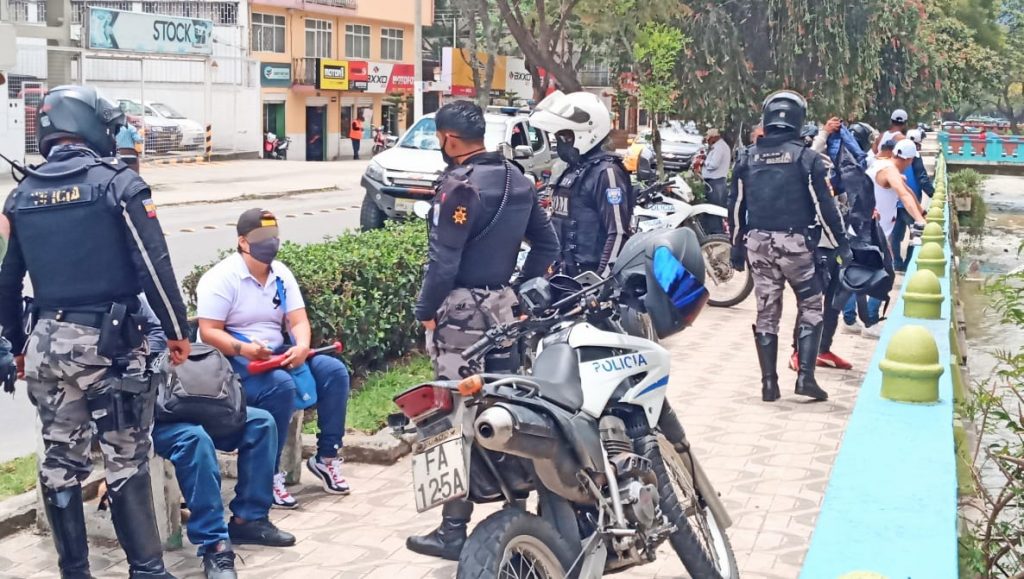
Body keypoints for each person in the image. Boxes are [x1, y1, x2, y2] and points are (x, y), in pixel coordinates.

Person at [0, 85, 191, 578]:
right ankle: (147, 571)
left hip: (45, 347)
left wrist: (17, 346)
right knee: (125, 456)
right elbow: (154, 264)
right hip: (110, 347)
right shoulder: (117, 184)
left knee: (61, 460)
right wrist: (176, 329)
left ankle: (75, 572)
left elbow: (7, 279)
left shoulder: (21, 195)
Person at [407, 100, 559, 561]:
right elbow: (547, 245)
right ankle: (521, 514)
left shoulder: (458, 187)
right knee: (507, 410)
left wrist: (425, 310)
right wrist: (517, 290)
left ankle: (453, 530)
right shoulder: (518, 179)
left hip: (460, 317)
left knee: (451, 417)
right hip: (504, 312)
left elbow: (443, 262)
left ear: (448, 139)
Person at [196, 209, 352, 509]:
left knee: (334, 371)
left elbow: (298, 320)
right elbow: (209, 331)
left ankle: (327, 457)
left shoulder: (281, 274)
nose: (270, 242)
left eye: (274, 235)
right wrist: (244, 349)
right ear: (243, 241)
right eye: (262, 237)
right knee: (280, 386)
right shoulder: (222, 278)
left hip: (275, 354)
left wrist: (302, 347)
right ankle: (268, 475)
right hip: (231, 363)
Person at [137, 301, 295, 579]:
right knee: (194, 439)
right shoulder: (89, 306)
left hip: (183, 398)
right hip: (151, 417)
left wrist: (163, 353)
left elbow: (164, 334)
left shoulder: (140, 300)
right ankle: (215, 546)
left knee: (260, 423)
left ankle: (249, 519)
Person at [728, 90, 851, 403]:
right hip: (796, 245)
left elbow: (737, 206)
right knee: (810, 305)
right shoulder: (806, 158)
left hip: (758, 244)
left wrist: (735, 247)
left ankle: (769, 385)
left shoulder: (746, 157)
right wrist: (841, 244)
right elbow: (824, 207)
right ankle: (805, 378)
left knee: (767, 311)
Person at [529, 90, 633, 277]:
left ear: (587, 132)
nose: (561, 143)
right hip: (565, 276)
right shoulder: (573, 170)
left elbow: (618, 233)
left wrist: (600, 281)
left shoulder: (606, 173)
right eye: (558, 137)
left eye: (565, 137)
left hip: (589, 277)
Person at [891, 128, 934, 271]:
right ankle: (908, 263)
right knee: (915, 235)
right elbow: (922, 179)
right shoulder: (914, 157)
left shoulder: (896, 157)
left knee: (895, 236)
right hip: (909, 204)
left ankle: (897, 263)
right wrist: (932, 194)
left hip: (896, 203)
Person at [701, 128, 732, 233]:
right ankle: (713, 231)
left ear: (714, 137)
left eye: (709, 139)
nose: (708, 141)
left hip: (715, 182)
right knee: (715, 209)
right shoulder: (720, 146)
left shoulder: (719, 148)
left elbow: (714, 164)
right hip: (717, 182)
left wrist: (703, 162)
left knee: (714, 209)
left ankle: (715, 233)